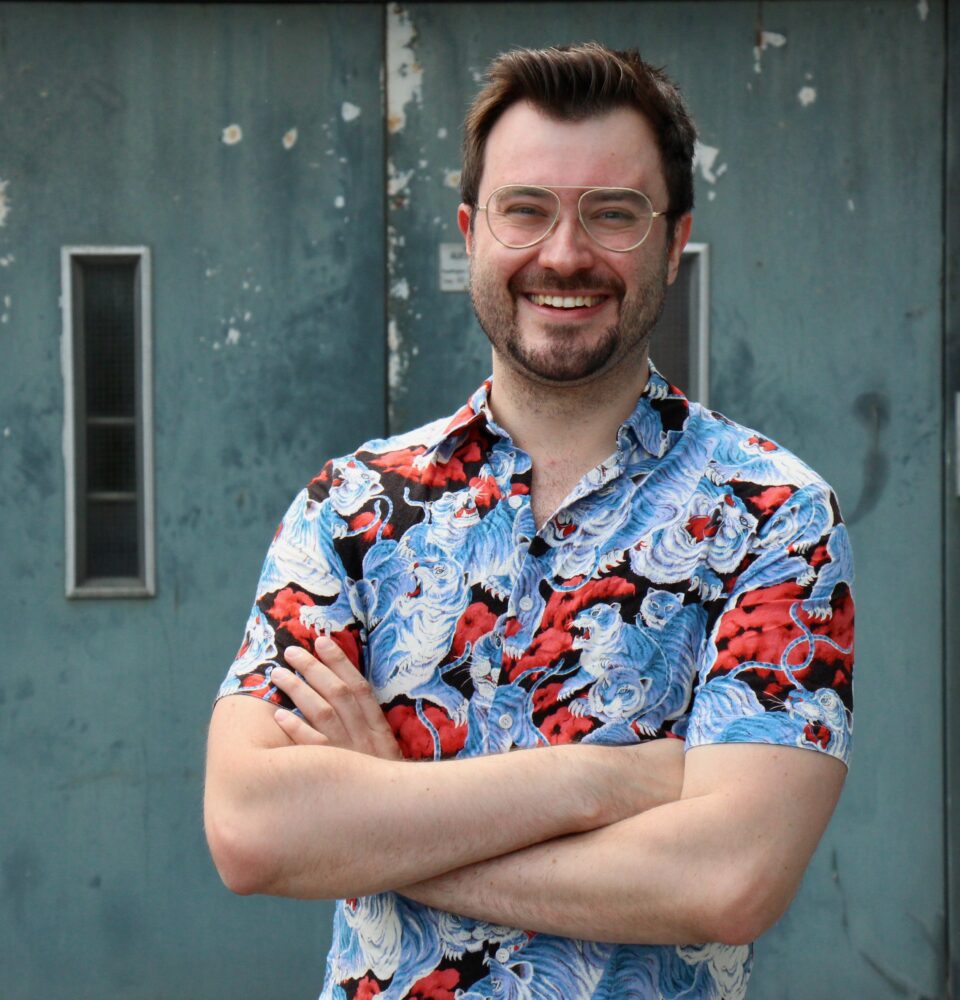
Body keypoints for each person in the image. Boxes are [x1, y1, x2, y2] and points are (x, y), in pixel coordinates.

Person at [204, 43, 854, 1000]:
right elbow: (252, 831)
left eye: (613, 213)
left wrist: (379, 822)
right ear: (473, 231)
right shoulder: (351, 507)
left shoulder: (773, 516)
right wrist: (603, 784)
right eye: (525, 210)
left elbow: (727, 881)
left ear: (673, 241)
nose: (563, 254)